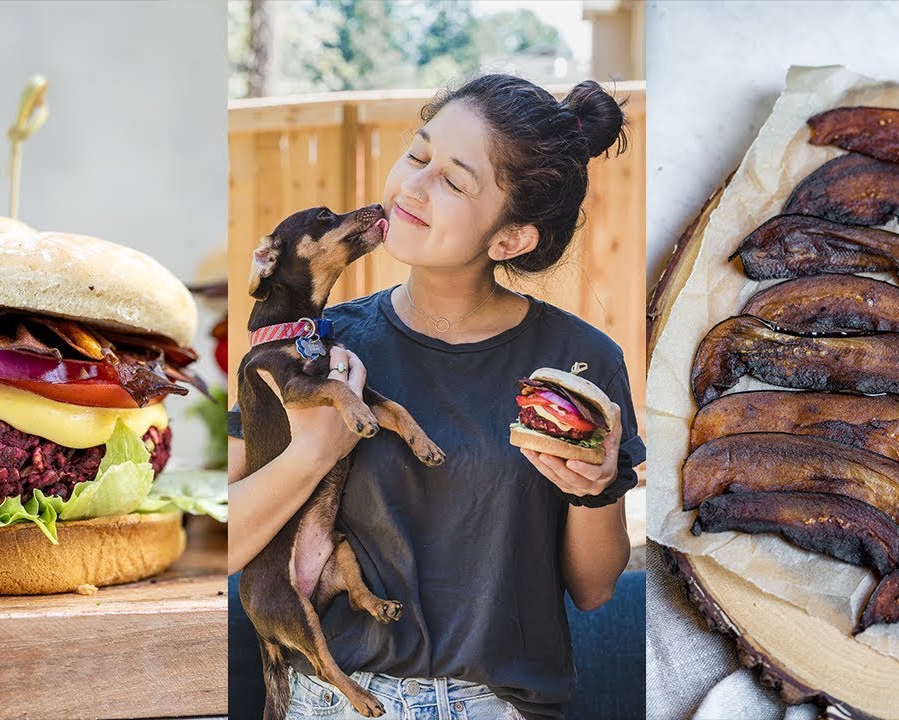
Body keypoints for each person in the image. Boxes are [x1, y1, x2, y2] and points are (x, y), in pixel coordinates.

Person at [228, 74, 645, 720]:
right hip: (334, 698)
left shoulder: (579, 364)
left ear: (510, 239)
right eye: (418, 156)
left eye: (454, 181)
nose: (412, 187)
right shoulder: (320, 350)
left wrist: (591, 489)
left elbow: (592, 590)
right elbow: (223, 542)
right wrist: (310, 456)